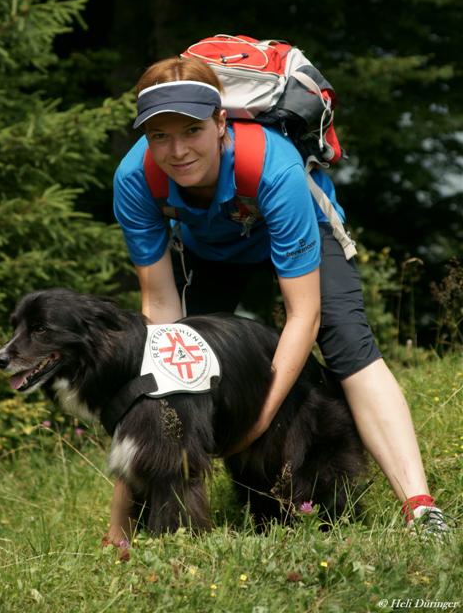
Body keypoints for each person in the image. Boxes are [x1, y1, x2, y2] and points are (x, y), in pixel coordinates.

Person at [109, 55, 448, 543]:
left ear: (220, 122)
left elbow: (303, 315)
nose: (177, 151)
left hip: (300, 225)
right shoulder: (135, 178)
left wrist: (256, 421)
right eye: (159, 136)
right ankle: (137, 526)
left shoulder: (273, 165)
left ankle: (421, 508)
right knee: (177, 357)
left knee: (348, 343)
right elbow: (160, 314)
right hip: (211, 246)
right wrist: (117, 521)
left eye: (192, 131)